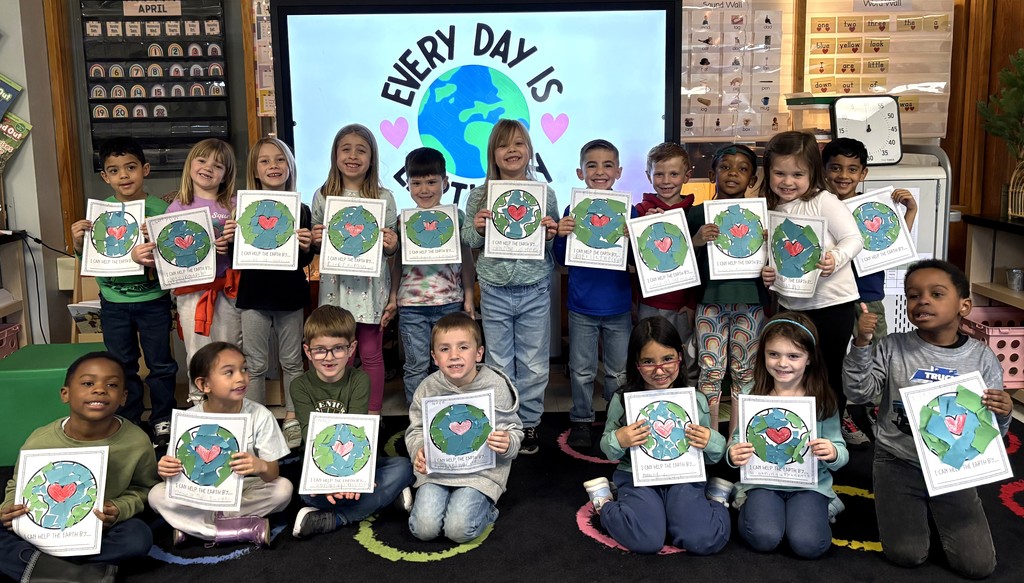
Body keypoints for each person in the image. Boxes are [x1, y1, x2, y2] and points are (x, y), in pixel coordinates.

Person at [843, 259, 1011, 578]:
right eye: (913, 295)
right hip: (897, 460)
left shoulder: (981, 357)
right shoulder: (892, 347)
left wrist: (1002, 414)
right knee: (906, 555)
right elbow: (859, 391)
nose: (922, 301)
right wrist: (861, 345)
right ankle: (913, 507)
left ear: (964, 306)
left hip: (954, 468)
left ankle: (936, 509)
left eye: (936, 294)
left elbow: (994, 435)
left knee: (978, 566)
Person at [0, 352, 158, 582]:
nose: (100, 389)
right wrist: (9, 507)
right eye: (87, 383)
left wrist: (119, 507)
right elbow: (18, 482)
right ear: (65, 394)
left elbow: (145, 489)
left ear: (123, 397)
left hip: (98, 528)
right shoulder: (40, 440)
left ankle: (42, 568)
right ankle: (81, 573)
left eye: (112, 385)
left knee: (138, 537)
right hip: (40, 528)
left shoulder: (136, 441)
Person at [585, 316, 730, 555]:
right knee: (646, 540)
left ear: (680, 356)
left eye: (667, 359)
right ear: (636, 364)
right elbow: (607, 447)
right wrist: (619, 439)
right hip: (637, 477)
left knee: (704, 539)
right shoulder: (623, 401)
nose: (660, 369)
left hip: (684, 477)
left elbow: (712, 456)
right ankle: (604, 503)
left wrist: (709, 441)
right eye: (648, 362)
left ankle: (715, 500)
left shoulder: (695, 401)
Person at [70, 137, 178, 448]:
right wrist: (79, 244)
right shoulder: (100, 215)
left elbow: (173, 258)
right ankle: (129, 419)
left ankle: (162, 419)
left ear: (145, 169)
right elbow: (90, 260)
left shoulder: (160, 209)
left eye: (131, 167)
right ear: (105, 177)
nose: (124, 176)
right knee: (121, 363)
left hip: (153, 300)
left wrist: (156, 243)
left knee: (161, 363)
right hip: (114, 302)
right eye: (114, 170)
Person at [759, 131, 864, 447]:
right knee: (795, 373)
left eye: (797, 174)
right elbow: (778, 254)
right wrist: (769, 273)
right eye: (779, 173)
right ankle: (798, 436)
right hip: (792, 307)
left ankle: (832, 438)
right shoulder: (771, 206)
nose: (787, 181)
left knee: (828, 371)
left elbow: (854, 239)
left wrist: (835, 258)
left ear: (812, 174)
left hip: (832, 305)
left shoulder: (823, 201)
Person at [461, 119, 558, 454]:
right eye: (503, 145)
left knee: (533, 363)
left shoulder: (545, 193)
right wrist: (476, 227)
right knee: (499, 362)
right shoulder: (479, 196)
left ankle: (529, 424)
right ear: (493, 154)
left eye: (518, 144)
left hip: (534, 288)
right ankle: (505, 424)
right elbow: (469, 240)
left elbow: (549, 242)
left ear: (529, 150)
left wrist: (549, 233)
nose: (512, 151)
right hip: (494, 289)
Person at [726, 312, 849, 558]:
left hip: (809, 485)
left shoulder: (823, 399)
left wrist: (833, 452)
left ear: (809, 358)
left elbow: (841, 451)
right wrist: (733, 453)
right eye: (774, 354)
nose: (782, 363)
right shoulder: (753, 393)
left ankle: (825, 506)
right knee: (764, 537)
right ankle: (746, 501)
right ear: (764, 355)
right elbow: (738, 439)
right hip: (762, 482)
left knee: (809, 544)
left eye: (793, 356)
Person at [132, 138, 243, 405]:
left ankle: (233, 401)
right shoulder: (177, 208)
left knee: (231, 348)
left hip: (227, 289)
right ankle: (198, 402)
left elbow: (250, 251)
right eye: (202, 160)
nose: (208, 168)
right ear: (190, 164)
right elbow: (167, 256)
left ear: (226, 173)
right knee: (196, 349)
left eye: (218, 165)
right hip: (191, 292)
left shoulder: (235, 205)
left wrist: (230, 243)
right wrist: (152, 246)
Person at [822, 137, 918, 445]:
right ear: (824, 170)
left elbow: (892, 244)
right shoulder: (820, 206)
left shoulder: (871, 207)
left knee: (876, 352)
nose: (843, 175)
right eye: (836, 168)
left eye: (852, 169)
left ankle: (876, 407)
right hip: (832, 295)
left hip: (868, 294)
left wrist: (909, 212)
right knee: (832, 357)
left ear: (863, 173)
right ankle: (841, 413)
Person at [149, 342, 293, 546]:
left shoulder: (260, 415)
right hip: (198, 494)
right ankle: (238, 529)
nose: (241, 377)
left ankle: (193, 528)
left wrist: (260, 466)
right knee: (156, 495)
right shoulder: (189, 420)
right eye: (229, 372)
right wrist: (166, 470)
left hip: (241, 489)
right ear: (204, 385)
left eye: (244, 369)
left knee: (283, 489)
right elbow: (176, 472)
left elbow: (272, 473)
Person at [290, 305, 415, 538]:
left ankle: (338, 517)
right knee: (305, 494)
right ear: (307, 351)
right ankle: (385, 500)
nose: (329, 357)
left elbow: (357, 434)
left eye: (338, 349)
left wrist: (352, 478)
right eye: (320, 350)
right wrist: (329, 481)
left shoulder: (360, 380)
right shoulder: (299, 386)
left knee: (405, 467)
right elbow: (310, 436)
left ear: (352, 349)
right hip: (318, 464)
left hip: (357, 460)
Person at [405, 313, 523, 543]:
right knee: (424, 529)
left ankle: (487, 510)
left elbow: (514, 430)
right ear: (434, 357)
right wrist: (418, 449)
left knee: (459, 531)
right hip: (436, 472)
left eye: (463, 347)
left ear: (479, 353)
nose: (454, 356)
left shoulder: (495, 386)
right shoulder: (427, 388)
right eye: (445, 349)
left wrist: (508, 442)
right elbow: (416, 430)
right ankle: (427, 504)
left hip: (479, 474)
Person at [227, 137, 314, 449]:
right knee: (255, 362)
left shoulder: (301, 209)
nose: (273, 166)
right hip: (254, 294)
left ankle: (292, 418)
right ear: (255, 170)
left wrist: (308, 246)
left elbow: (303, 260)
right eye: (264, 161)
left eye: (279, 160)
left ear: (290, 166)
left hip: (289, 294)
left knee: (292, 361)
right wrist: (230, 239)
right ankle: (256, 422)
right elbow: (238, 256)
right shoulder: (243, 209)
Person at [311, 124, 399, 416]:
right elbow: (315, 237)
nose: (353, 156)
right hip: (336, 285)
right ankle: (341, 409)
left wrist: (390, 244)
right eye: (345, 149)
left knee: (371, 353)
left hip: (371, 288)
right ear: (335, 156)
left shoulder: (384, 197)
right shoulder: (323, 196)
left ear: (372, 158)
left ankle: (372, 412)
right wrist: (315, 237)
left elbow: (391, 248)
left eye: (361, 150)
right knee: (339, 351)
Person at [553, 139, 634, 449]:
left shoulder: (630, 210)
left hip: (617, 306)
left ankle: (614, 423)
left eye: (607, 165)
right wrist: (561, 235)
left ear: (619, 171)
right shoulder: (573, 209)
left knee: (617, 372)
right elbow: (562, 259)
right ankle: (582, 420)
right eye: (592, 165)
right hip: (581, 306)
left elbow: (638, 260)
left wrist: (633, 236)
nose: (600, 171)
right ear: (580, 172)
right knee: (582, 370)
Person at [687, 144, 769, 431]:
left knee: (745, 371)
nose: (733, 174)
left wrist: (768, 243)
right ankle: (709, 436)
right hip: (710, 302)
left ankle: (738, 436)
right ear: (712, 174)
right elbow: (680, 262)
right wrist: (696, 240)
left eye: (742, 169)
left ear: (752, 179)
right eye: (725, 167)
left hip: (751, 302)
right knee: (710, 369)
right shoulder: (697, 215)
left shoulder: (763, 217)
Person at [392, 147, 476, 403]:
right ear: (407, 185)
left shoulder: (456, 217)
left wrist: (470, 297)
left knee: (451, 364)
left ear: (446, 183)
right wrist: (392, 297)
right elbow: (396, 264)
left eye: (431, 181)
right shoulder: (402, 221)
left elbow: (466, 260)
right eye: (416, 183)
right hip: (412, 307)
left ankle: (450, 413)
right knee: (416, 366)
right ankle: (418, 420)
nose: (424, 189)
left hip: (450, 304)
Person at [634, 142, 701, 386]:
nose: (666, 180)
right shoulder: (640, 212)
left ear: (687, 176)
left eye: (673, 174)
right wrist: (641, 231)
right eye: (659, 173)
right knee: (648, 359)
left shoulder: (694, 215)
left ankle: (688, 411)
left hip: (683, 305)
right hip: (649, 302)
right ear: (648, 176)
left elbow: (701, 265)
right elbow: (633, 261)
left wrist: (692, 303)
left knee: (686, 361)